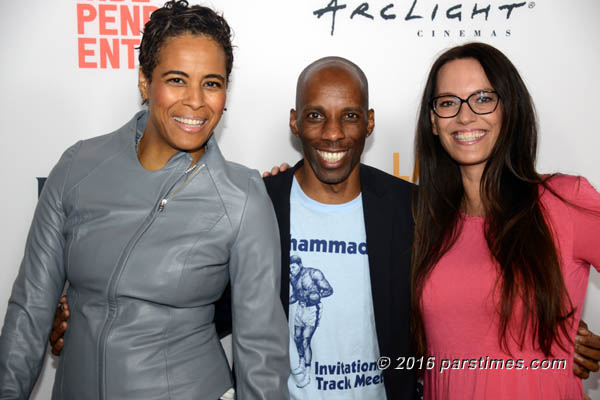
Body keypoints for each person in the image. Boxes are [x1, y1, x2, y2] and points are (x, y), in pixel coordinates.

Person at [0, 1, 289, 399]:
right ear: (143, 81)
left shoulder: (241, 196)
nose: (195, 101)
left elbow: (261, 352)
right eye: (176, 79)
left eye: (212, 82)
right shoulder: (78, 166)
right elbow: (30, 311)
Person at [411, 42, 600, 399]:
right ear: (434, 122)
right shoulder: (423, 220)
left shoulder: (565, 200)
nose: (465, 116)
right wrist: (282, 190)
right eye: (448, 102)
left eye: (483, 98)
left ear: (508, 108)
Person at [288, 255, 334, 387]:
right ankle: (301, 363)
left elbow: (329, 290)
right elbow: (296, 296)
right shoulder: (292, 277)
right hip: (300, 308)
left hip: (313, 309)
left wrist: (315, 295)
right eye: (289, 268)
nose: (291, 270)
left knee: (305, 340)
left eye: (293, 267)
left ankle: (307, 375)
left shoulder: (313, 273)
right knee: (297, 337)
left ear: (300, 265)